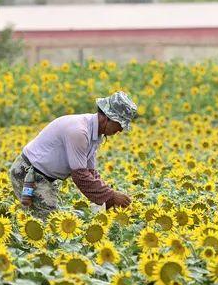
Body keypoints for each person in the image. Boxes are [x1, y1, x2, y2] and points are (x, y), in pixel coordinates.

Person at [9, 91, 138, 218]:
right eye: (120, 124)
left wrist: (109, 200)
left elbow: (90, 173)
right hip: (27, 173)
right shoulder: (79, 131)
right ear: (108, 118)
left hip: (44, 177)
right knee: (48, 224)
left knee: (49, 220)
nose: (120, 130)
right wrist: (111, 196)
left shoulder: (94, 133)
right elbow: (80, 177)